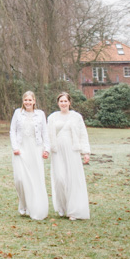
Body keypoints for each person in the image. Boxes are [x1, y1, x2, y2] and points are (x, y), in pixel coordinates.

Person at [47, 91, 91, 220]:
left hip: (72, 151)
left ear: (69, 102)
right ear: (58, 103)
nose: (63, 103)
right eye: (61, 101)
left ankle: (73, 210)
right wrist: (46, 150)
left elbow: (83, 134)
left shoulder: (76, 117)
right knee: (59, 179)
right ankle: (62, 207)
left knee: (72, 180)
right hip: (57, 152)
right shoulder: (52, 117)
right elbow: (47, 135)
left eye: (65, 101)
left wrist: (86, 152)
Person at [9, 90, 49, 220]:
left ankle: (35, 206)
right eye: (25, 100)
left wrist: (46, 149)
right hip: (21, 149)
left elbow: (45, 132)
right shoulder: (18, 113)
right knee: (20, 179)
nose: (28, 102)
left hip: (35, 149)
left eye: (30, 100)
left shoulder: (40, 114)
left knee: (35, 178)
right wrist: (15, 147)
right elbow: (12, 131)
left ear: (34, 101)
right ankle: (23, 204)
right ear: (23, 101)